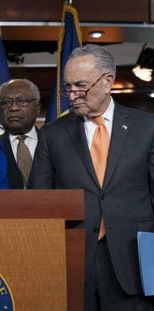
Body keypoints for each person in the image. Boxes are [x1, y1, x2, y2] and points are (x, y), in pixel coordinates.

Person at [29, 44, 154, 311]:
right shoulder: (52, 135)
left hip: (134, 264)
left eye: (80, 86)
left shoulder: (147, 128)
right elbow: (39, 205)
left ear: (108, 81)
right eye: (67, 87)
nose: (72, 95)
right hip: (74, 261)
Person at [0, 79, 41, 189]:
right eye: (6, 102)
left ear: (38, 108)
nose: (13, 108)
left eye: (22, 101)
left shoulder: (54, 144)